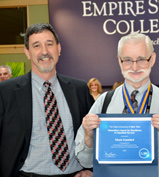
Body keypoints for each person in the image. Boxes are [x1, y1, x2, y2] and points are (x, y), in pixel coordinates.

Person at [74, 33, 159, 177]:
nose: (135, 67)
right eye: (128, 60)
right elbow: (85, 162)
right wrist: (89, 138)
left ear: (152, 59)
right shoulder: (103, 103)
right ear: (119, 61)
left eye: (141, 59)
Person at [0, 23, 95, 177]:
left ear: (59, 49)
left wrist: (91, 170)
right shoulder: (6, 92)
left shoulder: (79, 89)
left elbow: (94, 134)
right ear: (27, 52)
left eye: (49, 44)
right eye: (36, 46)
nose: (44, 52)